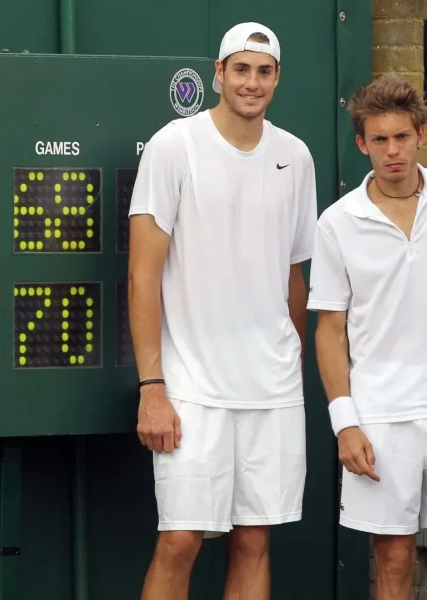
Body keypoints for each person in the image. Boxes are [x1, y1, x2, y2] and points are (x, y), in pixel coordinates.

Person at [128, 21, 317, 600]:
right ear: (218, 73)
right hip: (190, 388)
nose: (251, 82)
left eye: (263, 71)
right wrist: (152, 385)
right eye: (241, 68)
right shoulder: (173, 145)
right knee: (180, 540)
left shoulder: (296, 156)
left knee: (254, 541)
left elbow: (294, 274)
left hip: (271, 389)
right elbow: (143, 273)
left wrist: (288, 349)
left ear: (277, 78)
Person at [307, 73, 427, 600]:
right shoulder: (337, 224)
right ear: (362, 143)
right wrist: (344, 423)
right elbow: (329, 329)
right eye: (379, 139)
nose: (392, 150)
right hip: (380, 414)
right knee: (394, 560)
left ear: (420, 134)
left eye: (402, 136)